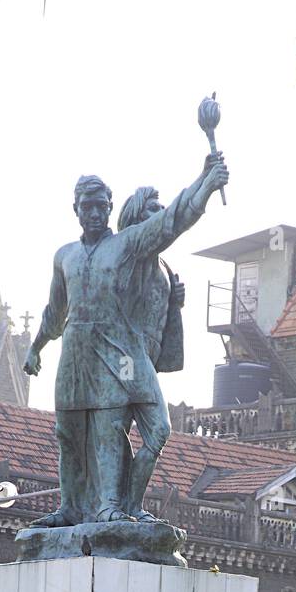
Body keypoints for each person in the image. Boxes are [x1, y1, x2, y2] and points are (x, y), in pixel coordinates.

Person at [23, 152, 229, 526]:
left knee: (108, 432)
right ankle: (69, 507)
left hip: (115, 352)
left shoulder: (126, 245)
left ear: (110, 208)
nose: (95, 213)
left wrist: (205, 183)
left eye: (101, 206)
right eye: (87, 206)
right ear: (76, 209)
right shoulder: (64, 256)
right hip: (73, 352)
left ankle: (110, 505)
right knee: (67, 434)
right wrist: (36, 347)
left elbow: (172, 221)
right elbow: (55, 311)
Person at [115, 185, 186, 519]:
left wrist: (176, 303)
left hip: (146, 362)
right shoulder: (133, 254)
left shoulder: (161, 265)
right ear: (135, 218)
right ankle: (126, 506)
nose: (160, 214)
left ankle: (125, 506)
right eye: (151, 210)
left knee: (118, 433)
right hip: (128, 360)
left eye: (162, 208)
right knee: (156, 431)